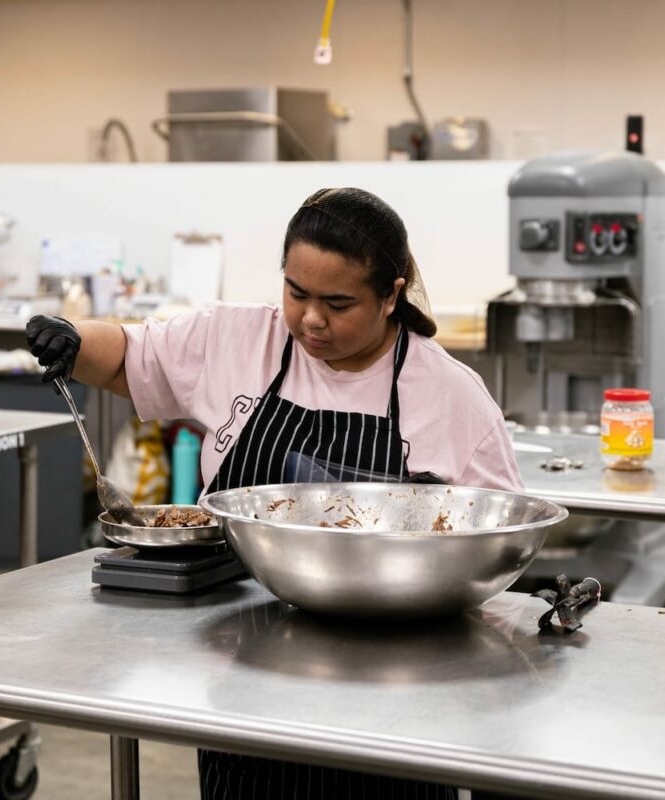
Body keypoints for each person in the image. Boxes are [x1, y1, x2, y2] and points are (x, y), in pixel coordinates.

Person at [27, 187, 523, 800]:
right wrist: (73, 338)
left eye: (338, 303)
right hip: (246, 670)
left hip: (398, 692)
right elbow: (130, 356)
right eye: (297, 293)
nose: (312, 319)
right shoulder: (235, 340)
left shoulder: (450, 395)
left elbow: (500, 552)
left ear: (392, 294)